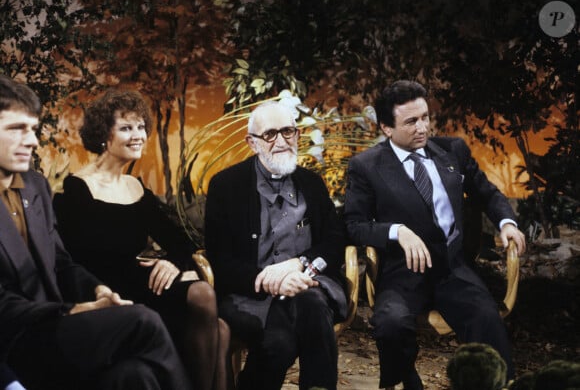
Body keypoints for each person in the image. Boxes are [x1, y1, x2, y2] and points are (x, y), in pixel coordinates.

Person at [0, 76, 193, 389]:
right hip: (16, 339)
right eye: (16, 129)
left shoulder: (35, 186)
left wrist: (98, 291)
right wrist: (73, 308)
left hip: (59, 327)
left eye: (33, 130)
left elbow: (62, 263)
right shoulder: (76, 190)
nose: (33, 141)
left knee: (135, 375)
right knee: (144, 320)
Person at [343, 80, 527, 390]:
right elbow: (353, 224)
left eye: (426, 117)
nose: (422, 127)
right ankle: (405, 379)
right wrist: (396, 231)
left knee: (486, 319)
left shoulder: (451, 150)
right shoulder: (366, 166)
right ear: (387, 128)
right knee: (390, 324)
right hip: (403, 272)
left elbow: (486, 192)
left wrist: (507, 222)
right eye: (411, 121)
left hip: (452, 269)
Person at [52, 90, 231, 390]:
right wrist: (98, 293)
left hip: (143, 284)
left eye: (140, 127)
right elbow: (67, 260)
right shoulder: (75, 190)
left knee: (204, 297)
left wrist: (172, 263)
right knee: (221, 330)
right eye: (126, 128)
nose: (138, 135)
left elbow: (182, 239)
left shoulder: (135, 187)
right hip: (106, 294)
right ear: (103, 135)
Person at [204, 101, 348, 390]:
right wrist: (267, 281)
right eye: (270, 134)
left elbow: (334, 241)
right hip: (251, 296)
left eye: (288, 132)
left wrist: (300, 265)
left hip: (309, 284)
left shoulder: (312, 183)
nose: (281, 141)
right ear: (252, 143)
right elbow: (219, 257)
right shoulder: (225, 186)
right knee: (282, 341)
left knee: (310, 300)